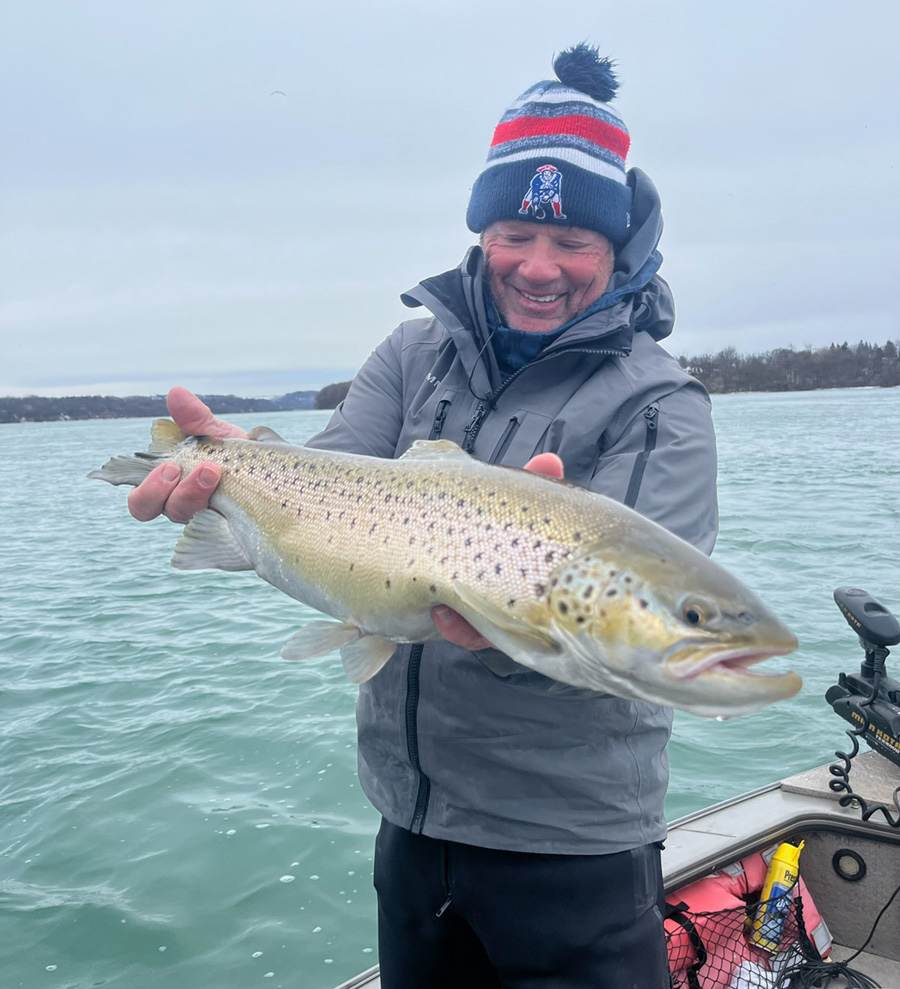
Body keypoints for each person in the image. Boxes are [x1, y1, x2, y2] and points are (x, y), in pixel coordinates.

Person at [129, 44, 718, 989]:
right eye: (514, 234)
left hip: (573, 845)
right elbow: (322, 483)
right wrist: (230, 471)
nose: (539, 266)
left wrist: (518, 594)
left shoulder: (662, 404)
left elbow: (650, 633)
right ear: (480, 232)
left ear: (620, 252)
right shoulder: (413, 355)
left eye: (573, 244)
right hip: (408, 821)